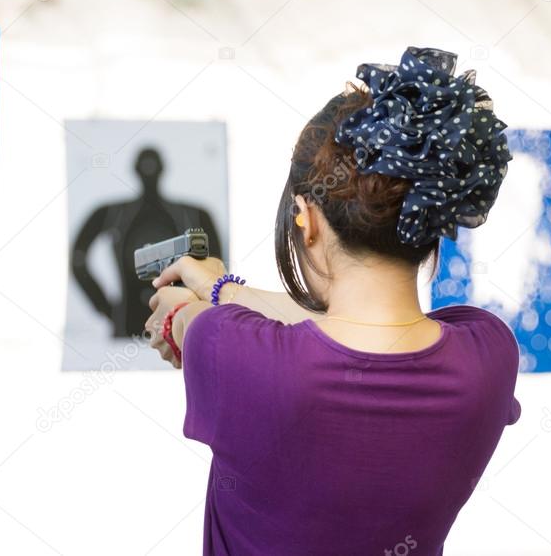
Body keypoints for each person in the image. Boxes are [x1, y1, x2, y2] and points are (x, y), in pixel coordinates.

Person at [146, 47, 520, 555]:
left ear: (307, 218)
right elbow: (365, 335)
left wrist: (189, 307)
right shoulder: (489, 353)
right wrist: (224, 290)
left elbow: (194, 324)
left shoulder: (226, 345)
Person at [71, 147, 222, 338]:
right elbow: (78, 260)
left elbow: (216, 267)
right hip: (137, 323)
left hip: (155, 322)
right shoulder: (191, 214)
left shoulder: (194, 214)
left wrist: (107, 309)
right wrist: (105, 308)